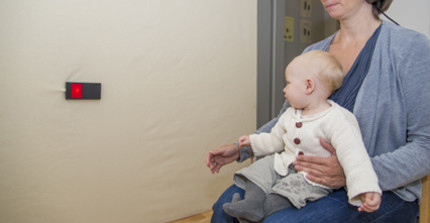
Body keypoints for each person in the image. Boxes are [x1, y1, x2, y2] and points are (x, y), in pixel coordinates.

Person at [206, 0, 430, 222]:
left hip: (378, 190)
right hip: (302, 178)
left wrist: (354, 173)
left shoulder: (410, 48)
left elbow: (425, 145)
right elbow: (287, 119)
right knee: (224, 211)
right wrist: (242, 148)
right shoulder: (314, 52)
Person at [222, 50, 381, 223]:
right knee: (260, 169)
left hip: (311, 177)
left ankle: (262, 211)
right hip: (284, 165)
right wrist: (252, 143)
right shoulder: (290, 114)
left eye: (288, 83)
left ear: (308, 86)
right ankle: (252, 204)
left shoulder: (338, 120)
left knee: (284, 193)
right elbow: (275, 140)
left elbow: (354, 156)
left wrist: (366, 188)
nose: (284, 89)